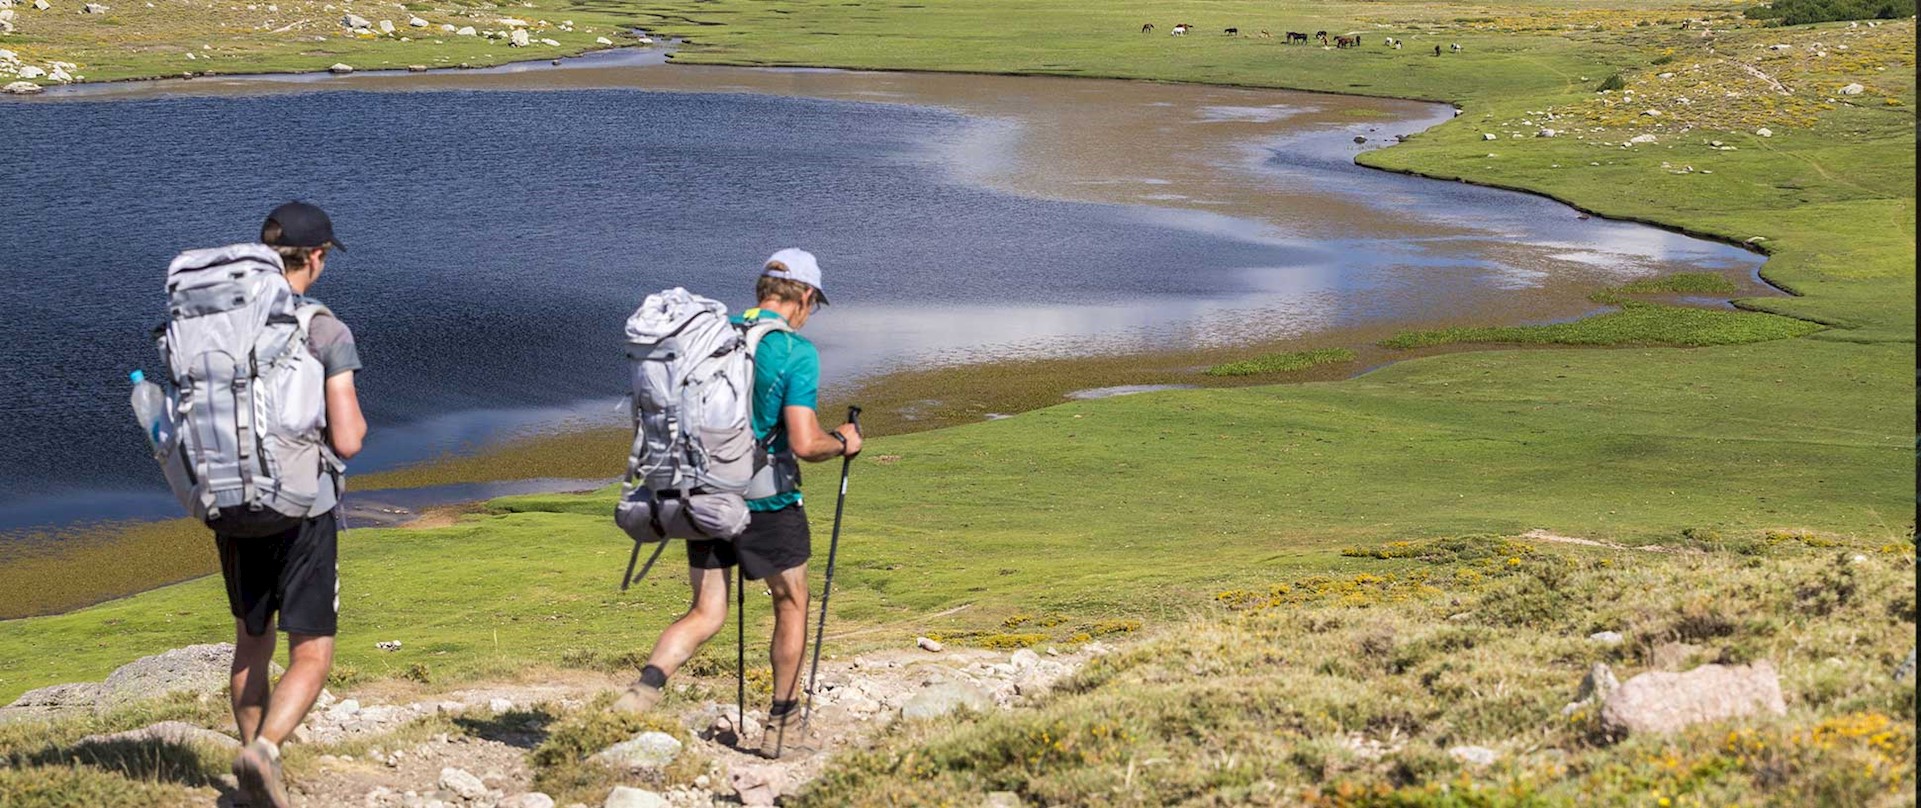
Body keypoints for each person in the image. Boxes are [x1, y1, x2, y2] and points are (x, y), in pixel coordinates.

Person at [612, 248, 862, 760]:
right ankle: (783, 728)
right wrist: (844, 440)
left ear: (761, 291)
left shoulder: (710, 334)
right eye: (814, 304)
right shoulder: (795, 352)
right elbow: (804, 443)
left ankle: (639, 695)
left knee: (706, 611)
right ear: (806, 298)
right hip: (767, 502)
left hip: (701, 494)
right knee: (790, 602)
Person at [225, 201, 368, 808]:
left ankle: (256, 768)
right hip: (305, 510)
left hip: (232, 505)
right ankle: (265, 752)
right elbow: (348, 439)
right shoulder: (324, 329)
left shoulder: (223, 319)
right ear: (316, 257)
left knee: (250, 640)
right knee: (310, 650)